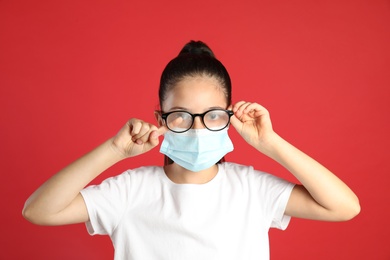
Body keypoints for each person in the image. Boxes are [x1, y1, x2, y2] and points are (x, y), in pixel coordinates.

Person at [23, 40, 360, 260]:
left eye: (212, 116)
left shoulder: (251, 189)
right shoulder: (130, 191)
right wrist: (113, 150)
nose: (198, 129)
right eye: (182, 117)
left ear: (229, 117)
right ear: (161, 118)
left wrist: (269, 144)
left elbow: (344, 207)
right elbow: (38, 211)